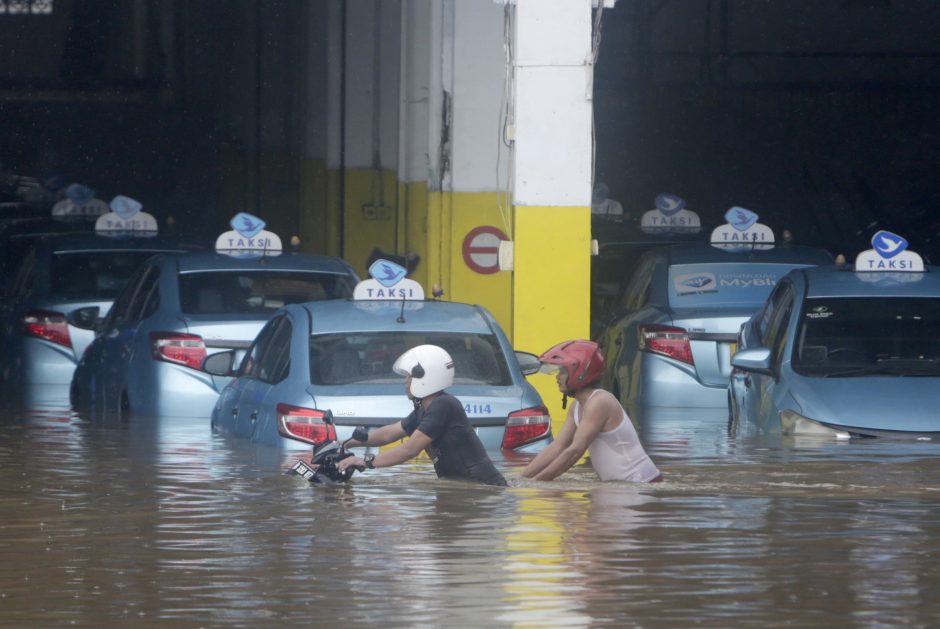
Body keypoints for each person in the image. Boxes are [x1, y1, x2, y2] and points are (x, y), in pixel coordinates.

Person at [337, 344, 507, 486]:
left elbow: (409, 450)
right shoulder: (424, 410)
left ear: (425, 377)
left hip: (481, 488)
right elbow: (388, 434)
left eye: (409, 376)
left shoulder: (444, 405)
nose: (405, 381)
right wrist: (345, 443)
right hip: (465, 487)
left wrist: (365, 462)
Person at [521, 340, 662, 483]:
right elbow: (558, 446)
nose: (557, 377)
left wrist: (537, 482)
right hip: (620, 487)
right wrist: (521, 478)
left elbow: (575, 452)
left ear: (580, 371)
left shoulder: (600, 401)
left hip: (641, 483)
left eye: (562, 371)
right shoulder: (576, 406)